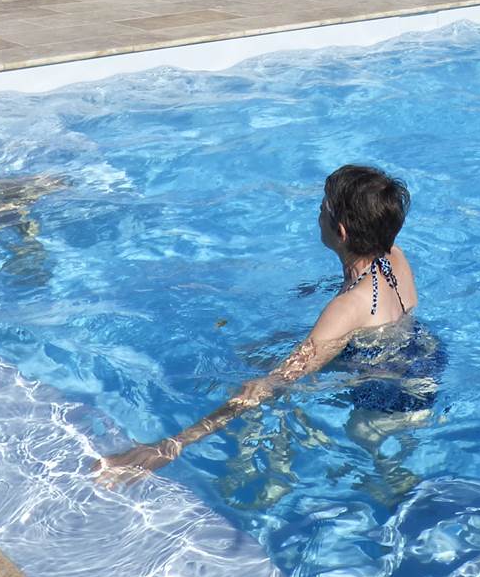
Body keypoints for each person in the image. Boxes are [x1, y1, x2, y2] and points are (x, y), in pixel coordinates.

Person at [94, 164, 443, 487]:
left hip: (381, 408)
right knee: (259, 354)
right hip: (420, 360)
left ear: (340, 231)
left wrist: (171, 446)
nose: (317, 214)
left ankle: (386, 482)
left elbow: (268, 387)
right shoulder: (392, 255)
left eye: (322, 208)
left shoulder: (346, 308)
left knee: (253, 384)